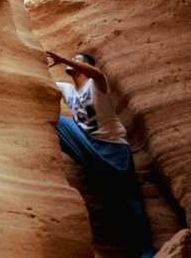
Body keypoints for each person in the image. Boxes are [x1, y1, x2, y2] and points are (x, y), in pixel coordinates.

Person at [46, 51, 157, 258]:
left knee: (129, 200)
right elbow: (42, 86)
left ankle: (147, 250)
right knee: (58, 121)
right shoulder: (66, 89)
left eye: (78, 60)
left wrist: (64, 60)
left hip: (113, 147)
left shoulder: (97, 84)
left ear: (85, 66)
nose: (72, 62)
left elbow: (96, 74)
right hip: (88, 145)